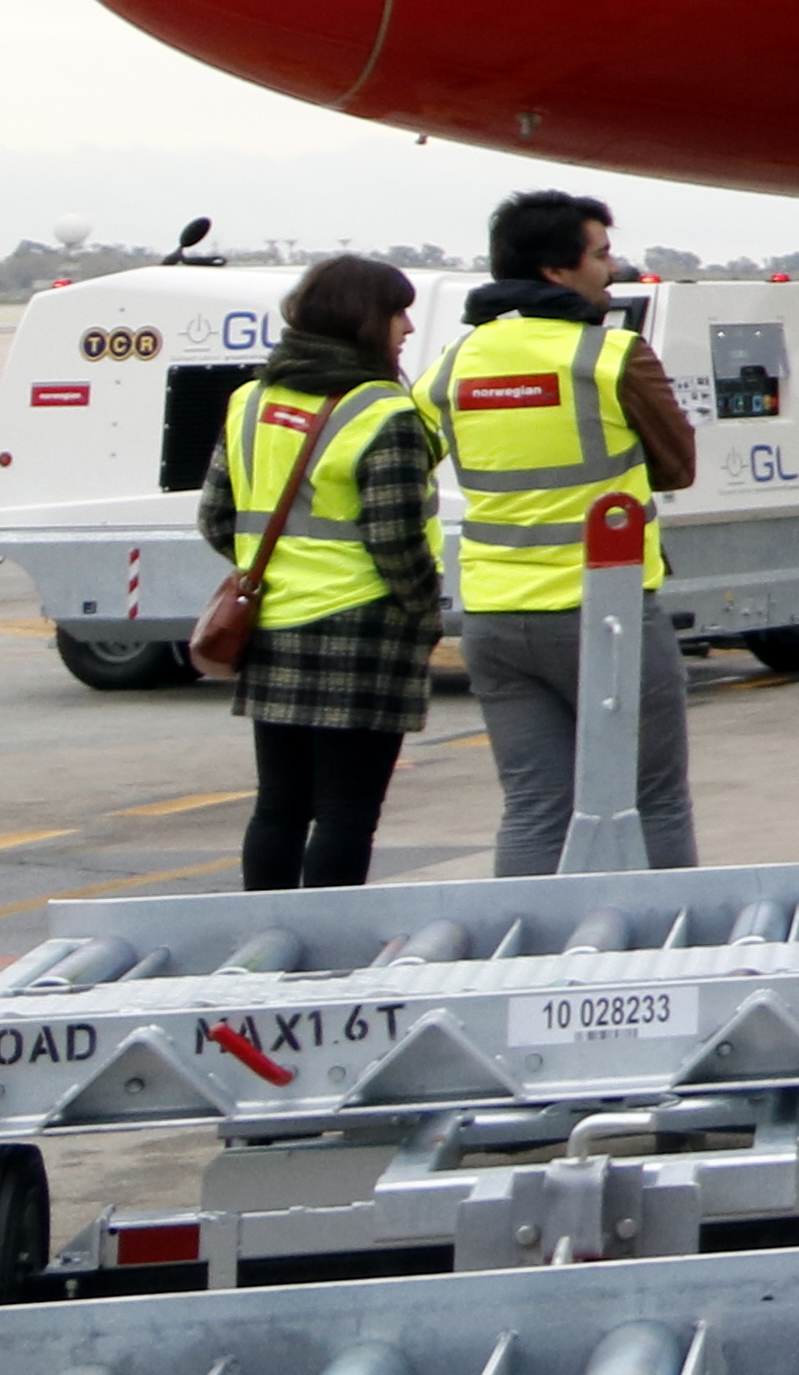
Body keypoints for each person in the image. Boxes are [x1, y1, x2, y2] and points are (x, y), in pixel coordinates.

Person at [428, 188, 703, 871]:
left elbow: (407, 458)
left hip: (494, 620)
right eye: (601, 254)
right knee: (653, 800)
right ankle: (670, 957)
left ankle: (530, 958)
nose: (613, 269)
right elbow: (676, 467)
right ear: (557, 271)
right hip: (604, 615)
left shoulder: (454, 364)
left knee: (534, 807)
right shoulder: (611, 357)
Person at [199, 257, 442, 891]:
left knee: (279, 805)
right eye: (397, 313)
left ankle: (266, 942)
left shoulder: (249, 400)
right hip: (363, 632)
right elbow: (396, 541)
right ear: (366, 322)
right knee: (347, 814)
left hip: (272, 622)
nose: (408, 328)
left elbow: (216, 517)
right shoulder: (382, 414)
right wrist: (425, 612)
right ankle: (329, 955)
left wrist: (275, 570)